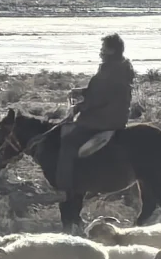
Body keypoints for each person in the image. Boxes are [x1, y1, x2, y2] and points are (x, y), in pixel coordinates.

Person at [55, 33, 134, 194]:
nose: (101, 52)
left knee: (68, 141)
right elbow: (99, 92)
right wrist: (82, 92)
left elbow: (98, 99)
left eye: (103, 49)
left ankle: (64, 187)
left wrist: (78, 108)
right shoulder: (120, 67)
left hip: (104, 119)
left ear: (111, 51)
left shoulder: (110, 71)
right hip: (115, 116)